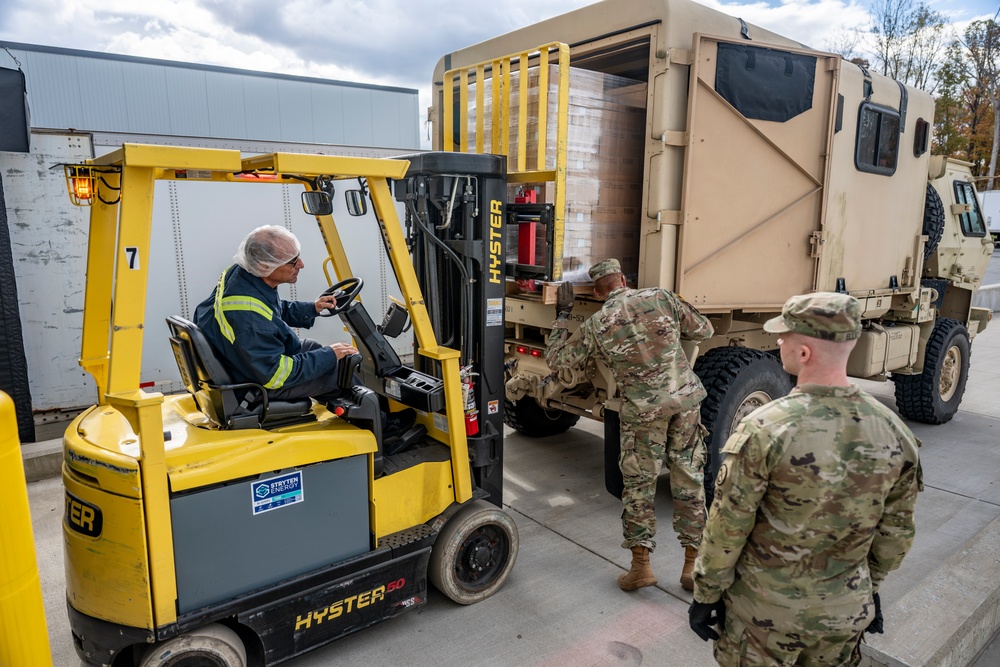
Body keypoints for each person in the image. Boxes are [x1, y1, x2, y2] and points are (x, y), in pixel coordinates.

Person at [689, 292, 922, 666]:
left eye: (784, 335)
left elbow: (727, 528)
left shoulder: (764, 428)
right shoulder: (896, 433)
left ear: (803, 352)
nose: (778, 340)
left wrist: (707, 593)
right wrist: (868, 590)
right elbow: (895, 536)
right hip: (842, 617)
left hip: (764, 619)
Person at [545, 258, 714, 592]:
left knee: (639, 486)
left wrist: (562, 315)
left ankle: (641, 568)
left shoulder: (597, 323)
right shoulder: (662, 297)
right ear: (623, 280)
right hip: (684, 404)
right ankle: (693, 566)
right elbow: (704, 330)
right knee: (689, 479)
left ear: (597, 292)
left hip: (643, 413)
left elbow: (557, 360)